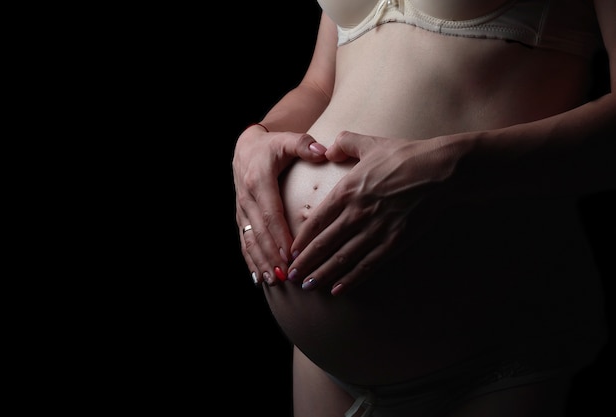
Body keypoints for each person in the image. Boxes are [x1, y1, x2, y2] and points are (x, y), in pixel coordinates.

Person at [233, 0, 615, 416]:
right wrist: (257, 137)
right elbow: (320, 86)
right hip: (322, 367)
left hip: (493, 348)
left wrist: (451, 166)